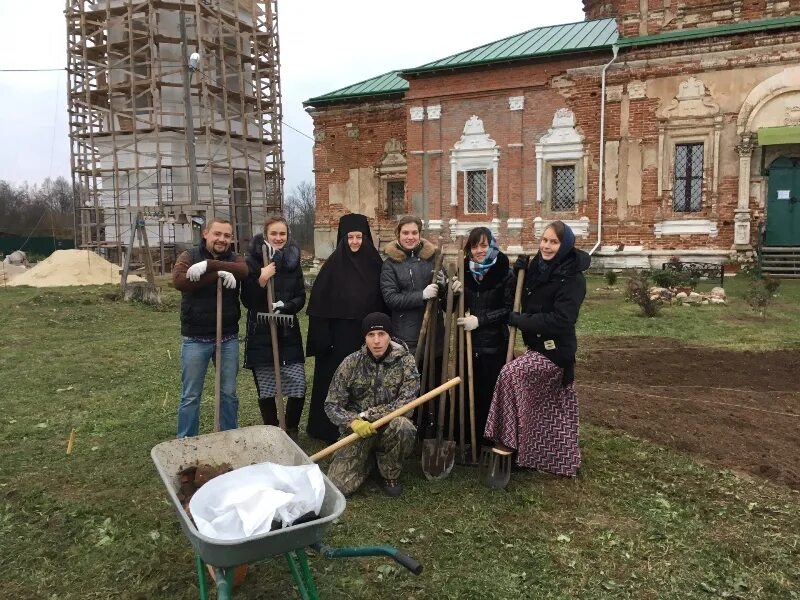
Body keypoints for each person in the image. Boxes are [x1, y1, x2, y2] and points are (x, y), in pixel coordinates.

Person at [484, 221, 590, 476]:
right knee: (535, 401)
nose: (547, 246)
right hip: (537, 347)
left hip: (556, 352)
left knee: (510, 374)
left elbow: (562, 319)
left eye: (554, 242)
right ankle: (526, 449)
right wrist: (516, 274)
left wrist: (522, 321)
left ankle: (507, 442)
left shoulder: (573, 278)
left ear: (565, 245)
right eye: (544, 240)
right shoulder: (537, 268)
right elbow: (517, 298)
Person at [305, 213, 386, 442]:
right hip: (337, 341)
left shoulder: (376, 266)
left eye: (359, 237)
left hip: (368, 338)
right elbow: (319, 307)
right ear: (342, 238)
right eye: (350, 237)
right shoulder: (332, 267)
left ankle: (369, 427)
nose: (355, 242)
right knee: (335, 382)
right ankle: (328, 429)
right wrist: (323, 341)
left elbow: (385, 301)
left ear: (366, 238)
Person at [325, 313, 420, 497]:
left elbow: (406, 403)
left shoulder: (406, 361)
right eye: (371, 335)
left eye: (381, 334)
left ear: (390, 336)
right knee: (338, 487)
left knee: (404, 426)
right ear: (365, 337)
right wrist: (352, 422)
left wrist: (369, 415)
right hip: (359, 432)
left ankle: (390, 472)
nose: (376, 341)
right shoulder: (351, 363)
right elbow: (331, 404)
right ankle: (369, 460)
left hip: (390, 428)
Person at [172, 217, 249, 438]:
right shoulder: (189, 256)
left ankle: (229, 438)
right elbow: (179, 281)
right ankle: (186, 441)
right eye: (217, 234)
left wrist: (210, 265)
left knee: (228, 393)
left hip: (227, 337)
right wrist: (217, 275)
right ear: (206, 233)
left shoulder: (235, 258)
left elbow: (243, 271)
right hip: (195, 338)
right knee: (191, 395)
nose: (222, 239)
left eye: (227, 235)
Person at [241, 216, 306, 440]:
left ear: (288, 236)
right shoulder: (253, 260)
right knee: (267, 387)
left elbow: (301, 297)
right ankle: (273, 431)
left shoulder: (293, 261)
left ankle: (291, 429)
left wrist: (286, 306)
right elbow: (247, 300)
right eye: (274, 234)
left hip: (287, 332)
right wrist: (261, 279)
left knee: (298, 384)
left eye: (282, 234)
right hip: (261, 331)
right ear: (265, 235)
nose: (278, 238)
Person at [455, 227, 514, 447]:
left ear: (492, 246)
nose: (479, 250)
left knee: (492, 395)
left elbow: (509, 310)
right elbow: (450, 308)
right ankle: (470, 441)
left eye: (484, 245)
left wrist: (480, 320)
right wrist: (451, 292)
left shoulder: (504, 272)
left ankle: (493, 441)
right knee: (470, 394)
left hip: (495, 346)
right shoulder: (463, 271)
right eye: (474, 246)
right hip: (468, 345)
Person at [380, 215, 461, 356]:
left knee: (436, 368)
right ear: (398, 234)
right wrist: (421, 295)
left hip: (434, 334)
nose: (410, 237)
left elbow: (445, 302)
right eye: (405, 233)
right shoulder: (390, 264)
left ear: (419, 234)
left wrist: (444, 286)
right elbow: (391, 299)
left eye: (414, 232)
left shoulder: (433, 258)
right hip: (408, 337)